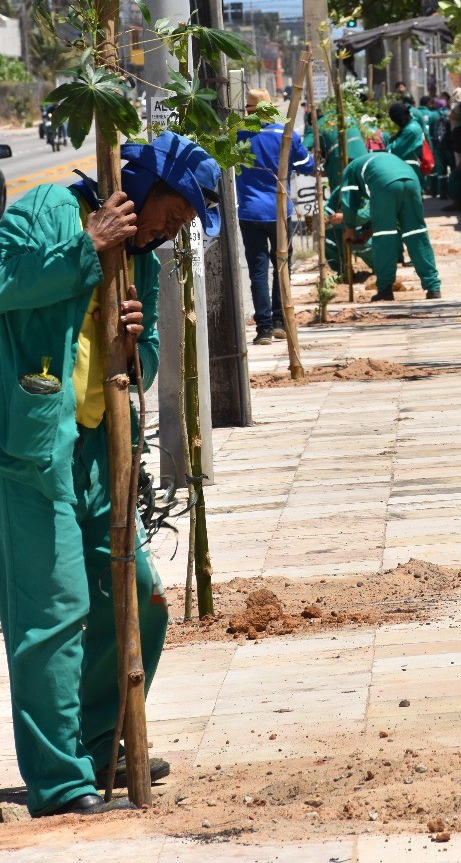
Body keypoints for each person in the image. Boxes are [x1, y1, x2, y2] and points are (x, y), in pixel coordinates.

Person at [0, 131, 223, 817]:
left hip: (102, 452)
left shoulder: (141, 259)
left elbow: (145, 361)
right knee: (55, 612)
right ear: (144, 185)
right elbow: (7, 281)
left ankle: (100, 742)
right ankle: (61, 782)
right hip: (35, 448)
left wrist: (134, 340)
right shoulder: (46, 210)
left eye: (181, 226)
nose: (168, 230)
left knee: (140, 596)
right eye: (172, 214)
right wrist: (84, 248)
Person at [235, 88, 314, 347]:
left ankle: (264, 329)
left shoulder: (238, 136)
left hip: (249, 212)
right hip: (280, 211)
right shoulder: (285, 135)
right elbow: (307, 166)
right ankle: (280, 321)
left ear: (248, 112)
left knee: (258, 271)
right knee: (282, 268)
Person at [340, 153, 441, 301]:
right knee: (417, 233)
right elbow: (394, 217)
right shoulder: (376, 159)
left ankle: (385, 289)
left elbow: (348, 202)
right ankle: (433, 287)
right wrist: (369, 232)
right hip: (412, 181)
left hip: (384, 184)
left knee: (384, 238)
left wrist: (349, 228)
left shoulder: (349, 170)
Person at [387, 101, 426, 179]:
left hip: (411, 173)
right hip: (410, 171)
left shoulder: (411, 130)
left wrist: (389, 143)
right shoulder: (411, 125)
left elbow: (394, 150)